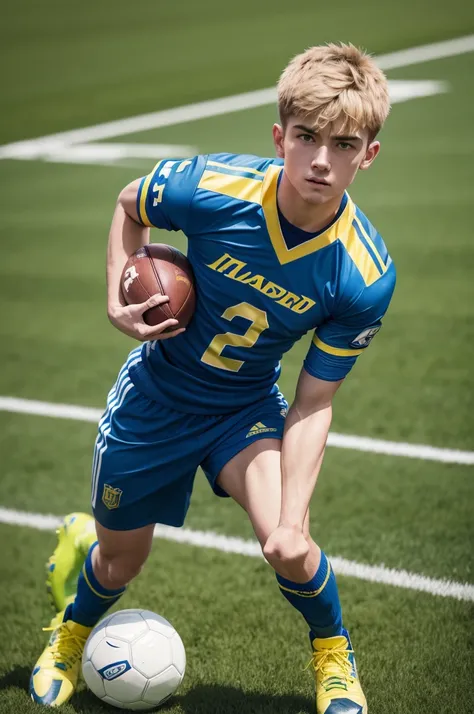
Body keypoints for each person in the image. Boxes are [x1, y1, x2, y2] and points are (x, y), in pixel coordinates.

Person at [30, 43, 395, 713]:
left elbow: (314, 403)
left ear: (367, 153)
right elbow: (129, 202)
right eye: (306, 137)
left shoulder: (363, 273)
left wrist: (290, 517)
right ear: (279, 136)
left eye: (343, 144)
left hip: (244, 408)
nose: (320, 160)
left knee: (291, 548)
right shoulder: (212, 187)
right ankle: (73, 631)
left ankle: (335, 659)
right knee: (120, 564)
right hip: (156, 400)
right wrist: (118, 292)